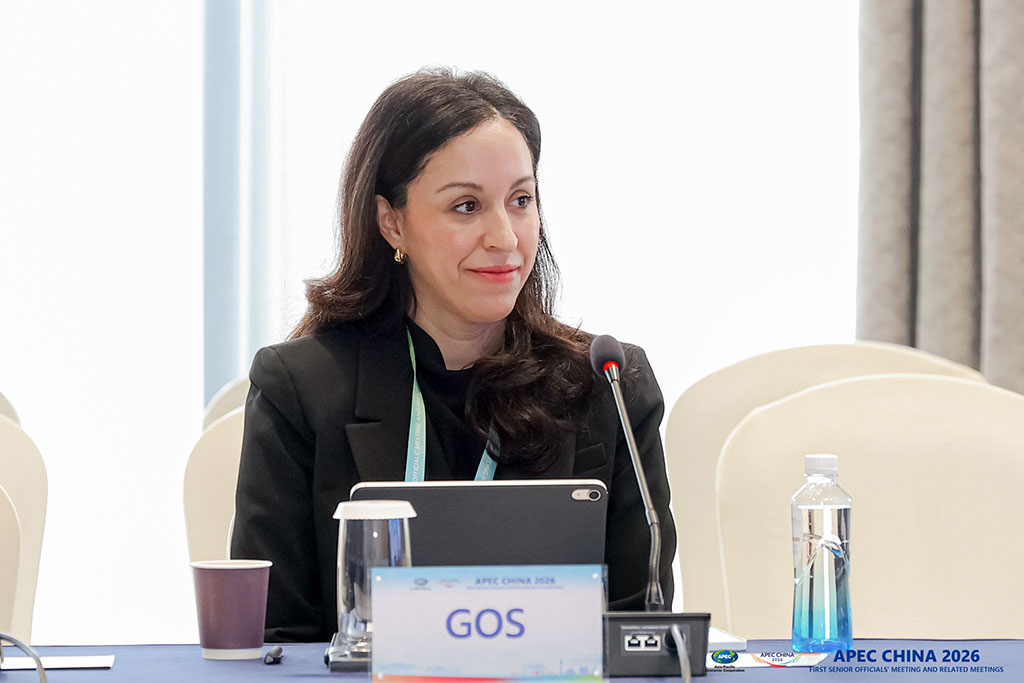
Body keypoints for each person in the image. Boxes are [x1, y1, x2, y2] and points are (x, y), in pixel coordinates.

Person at [231, 67, 677, 643]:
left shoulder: (609, 384)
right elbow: (274, 642)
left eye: (521, 201)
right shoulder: (302, 390)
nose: (505, 237)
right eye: (467, 206)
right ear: (392, 222)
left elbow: (640, 634)